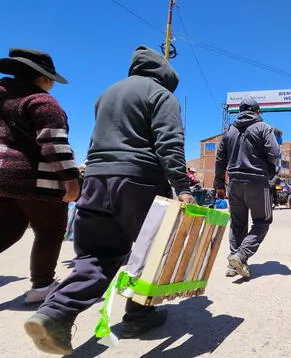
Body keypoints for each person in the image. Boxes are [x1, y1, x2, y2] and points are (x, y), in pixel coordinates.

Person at [25, 46, 194, 355]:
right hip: (138, 179)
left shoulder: (107, 93)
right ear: (166, 76)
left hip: (96, 177)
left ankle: (55, 313)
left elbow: (95, 140)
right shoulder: (161, 94)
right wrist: (182, 186)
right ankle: (139, 315)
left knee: (97, 254)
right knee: (152, 251)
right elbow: (169, 141)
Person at [0, 48, 81, 304]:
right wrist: (70, 180)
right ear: (44, 77)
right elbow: (53, 143)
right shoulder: (41, 101)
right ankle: (42, 286)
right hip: (34, 180)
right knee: (49, 229)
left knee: (8, 229)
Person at [215, 96, 280, 279]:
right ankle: (240, 256)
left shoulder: (229, 131)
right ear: (257, 111)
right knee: (262, 221)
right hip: (258, 182)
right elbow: (274, 155)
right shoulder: (263, 127)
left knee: (237, 223)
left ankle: (233, 265)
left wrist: (219, 184)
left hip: (234, 182)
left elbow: (220, 159)